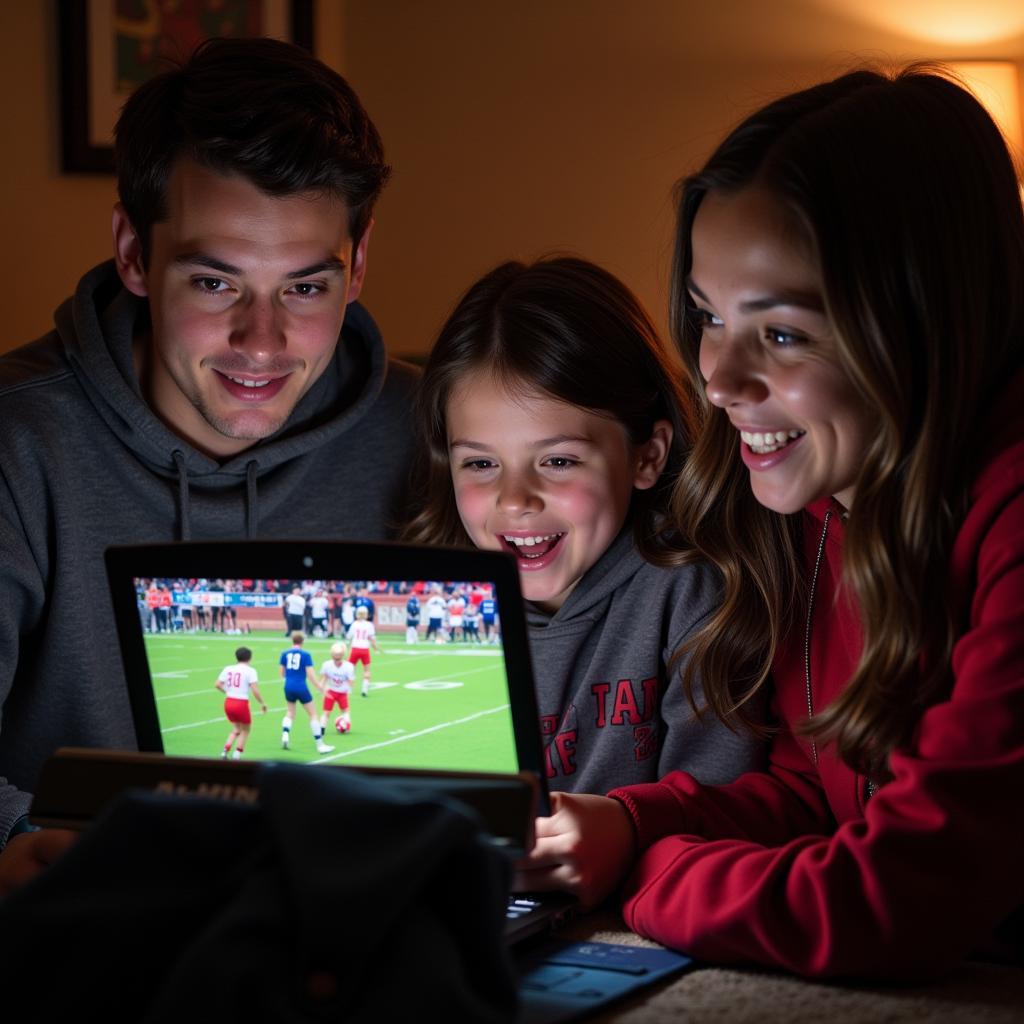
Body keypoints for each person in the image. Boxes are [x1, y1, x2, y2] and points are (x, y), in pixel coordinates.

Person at [515, 67, 1024, 978]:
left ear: (918, 318)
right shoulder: (823, 502)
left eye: (781, 333)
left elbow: (895, 898)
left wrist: (647, 867)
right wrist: (631, 819)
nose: (718, 381)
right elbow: (810, 792)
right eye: (710, 319)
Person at [0, 37, 418, 887]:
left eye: (306, 287)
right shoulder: (17, 440)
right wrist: (13, 842)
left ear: (359, 264)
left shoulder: (437, 431)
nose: (260, 344)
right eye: (215, 283)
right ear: (132, 253)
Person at [404, 256, 764, 793]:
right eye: (481, 464)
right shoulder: (432, 605)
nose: (516, 500)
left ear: (647, 456)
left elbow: (711, 816)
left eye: (558, 461)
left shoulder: (691, 592)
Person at [279, 632, 333, 755]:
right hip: (301, 686)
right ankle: (320, 744)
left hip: (288, 685)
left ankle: (285, 734)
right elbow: (310, 674)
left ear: (292, 641)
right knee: (313, 714)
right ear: (302, 641)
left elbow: (282, 672)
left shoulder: (285, 654)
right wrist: (320, 687)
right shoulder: (305, 655)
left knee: (290, 712)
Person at [215, 647, 267, 760]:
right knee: (245, 730)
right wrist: (262, 703)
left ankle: (225, 751)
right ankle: (237, 754)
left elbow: (218, 684)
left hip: (228, 702)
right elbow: (255, 690)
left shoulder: (228, 668)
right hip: (241, 703)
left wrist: (227, 691)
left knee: (236, 729)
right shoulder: (251, 671)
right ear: (249, 658)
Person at [318, 641, 354, 734]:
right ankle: (323, 728)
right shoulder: (347, 666)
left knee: (334, 712)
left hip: (337, 692)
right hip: (333, 691)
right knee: (331, 712)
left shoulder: (328, 664)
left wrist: (321, 689)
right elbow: (350, 682)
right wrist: (322, 690)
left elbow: (323, 678)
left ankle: (323, 728)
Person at [346, 606, 380, 698]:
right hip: (364, 649)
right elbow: (372, 639)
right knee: (367, 670)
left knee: (350, 669)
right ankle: (364, 688)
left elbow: (349, 637)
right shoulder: (369, 625)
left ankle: (349, 689)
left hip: (355, 648)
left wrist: (347, 647)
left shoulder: (354, 624)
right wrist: (376, 649)